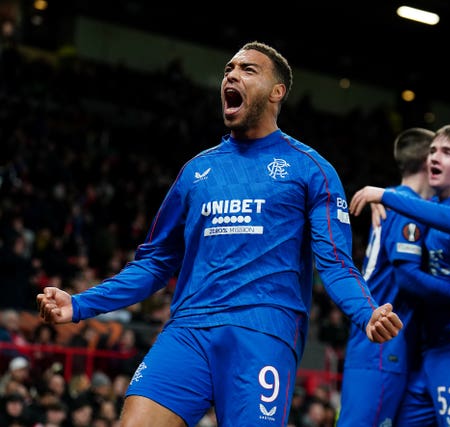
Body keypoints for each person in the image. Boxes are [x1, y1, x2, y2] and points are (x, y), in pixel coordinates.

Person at [36, 41, 403, 427]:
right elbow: (155, 263)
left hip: (262, 332)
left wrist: (366, 311)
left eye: (248, 70)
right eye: (229, 68)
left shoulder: (311, 169)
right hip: (188, 329)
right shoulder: (196, 171)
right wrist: (79, 305)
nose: (231, 74)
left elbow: (335, 264)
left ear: (277, 92)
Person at [349, 123, 450, 426]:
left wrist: (387, 197)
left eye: (446, 151)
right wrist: (392, 199)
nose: (435, 157)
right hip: (425, 351)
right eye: (432, 150)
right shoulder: (420, 207)